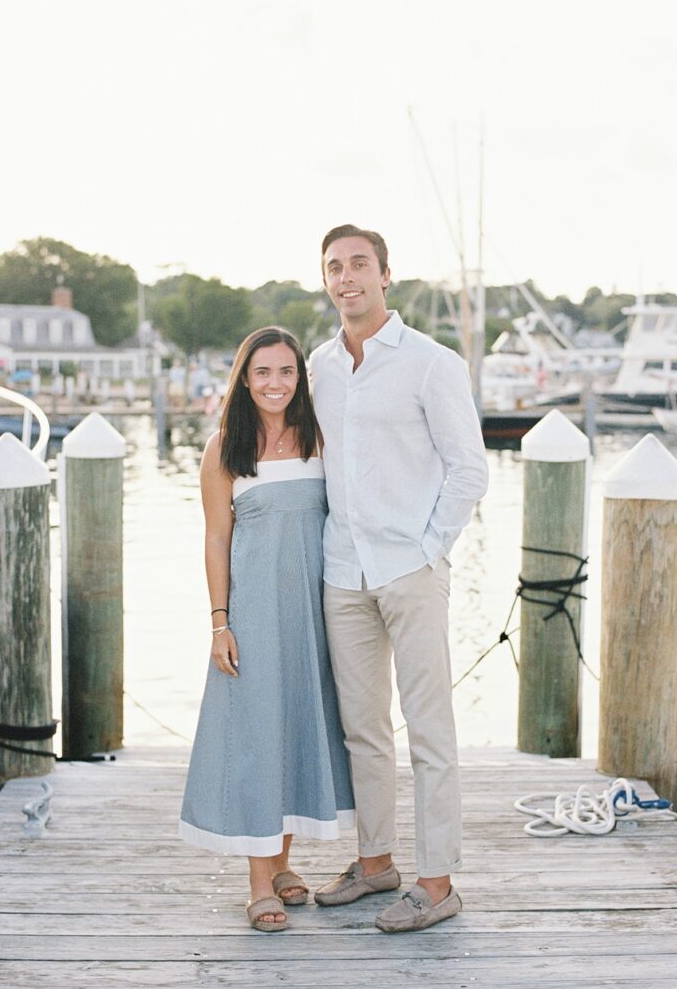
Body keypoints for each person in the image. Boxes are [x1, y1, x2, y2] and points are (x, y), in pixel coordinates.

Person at [309, 224, 489, 933]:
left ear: (386, 275)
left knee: (429, 732)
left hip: (408, 570)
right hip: (341, 570)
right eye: (334, 267)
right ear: (324, 280)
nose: (346, 277)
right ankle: (376, 862)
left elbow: (468, 468)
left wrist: (428, 548)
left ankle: (438, 883)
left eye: (359, 265)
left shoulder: (429, 363)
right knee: (362, 730)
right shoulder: (318, 366)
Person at [179, 326, 355, 933]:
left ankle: (282, 863)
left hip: (317, 608)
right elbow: (216, 536)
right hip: (253, 611)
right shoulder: (225, 446)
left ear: (300, 378)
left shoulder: (320, 438)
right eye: (262, 373)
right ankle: (260, 883)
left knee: (300, 727)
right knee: (258, 735)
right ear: (244, 380)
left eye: (286, 372)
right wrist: (219, 621)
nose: (275, 383)